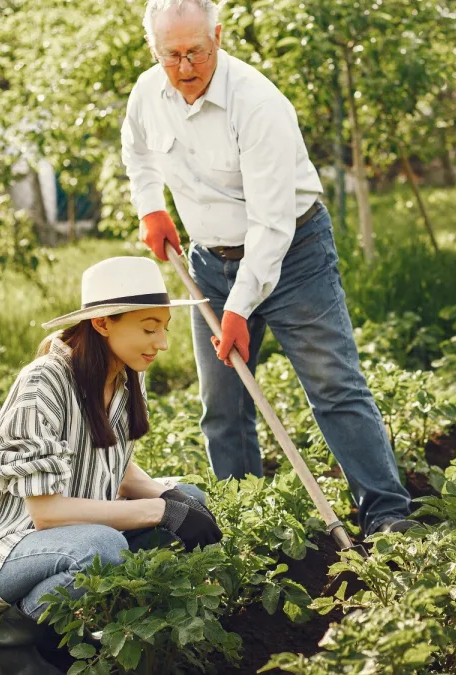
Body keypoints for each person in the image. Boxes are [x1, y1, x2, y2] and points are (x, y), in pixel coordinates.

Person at [119, 0, 417, 537]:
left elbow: (272, 223)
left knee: (333, 385)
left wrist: (238, 309)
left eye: (197, 52)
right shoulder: (148, 93)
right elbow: (136, 152)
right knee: (223, 405)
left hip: (294, 253)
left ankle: (387, 515)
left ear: (219, 38)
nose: (185, 67)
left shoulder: (257, 103)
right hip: (210, 261)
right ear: (154, 50)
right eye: (172, 55)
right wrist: (151, 208)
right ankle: (248, 525)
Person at [0, 256, 222, 675]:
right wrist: (159, 510)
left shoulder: (126, 374)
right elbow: (47, 513)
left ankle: (92, 631)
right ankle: (16, 650)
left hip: (63, 537)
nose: (161, 343)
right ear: (103, 324)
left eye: (164, 327)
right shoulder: (45, 382)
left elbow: (113, 466)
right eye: (148, 328)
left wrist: (170, 498)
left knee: (190, 500)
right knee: (103, 547)